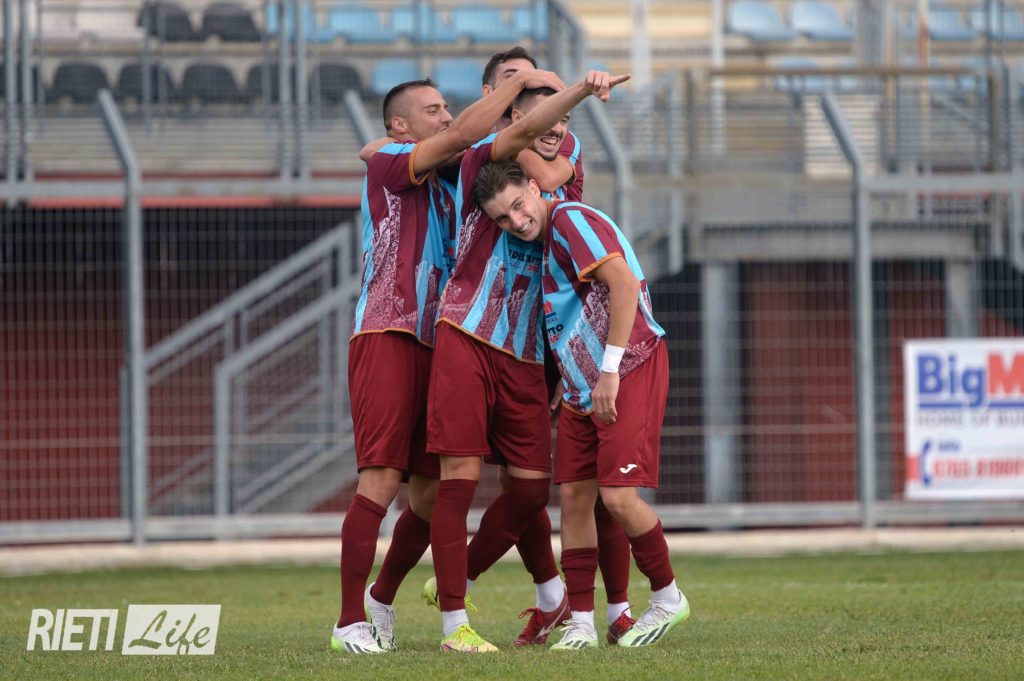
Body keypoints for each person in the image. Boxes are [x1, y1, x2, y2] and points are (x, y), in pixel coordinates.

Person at [331, 67, 564, 655]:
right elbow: (462, 135)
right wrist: (515, 83)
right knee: (381, 479)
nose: (445, 115)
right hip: (388, 331)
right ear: (399, 126)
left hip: (439, 342)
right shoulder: (390, 161)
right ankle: (348, 622)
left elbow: (518, 154)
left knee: (430, 497)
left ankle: (381, 601)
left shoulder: (453, 179)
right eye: (432, 109)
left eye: (445, 107)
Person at [424, 79, 636, 648]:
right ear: (508, 113)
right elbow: (520, 148)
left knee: (537, 491)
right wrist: (576, 89)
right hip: (467, 335)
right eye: (530, 114)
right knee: (457, 480)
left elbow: (552, 168)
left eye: (556, 117)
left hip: (532, 355)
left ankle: (590, 605)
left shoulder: (564, 175)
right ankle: (452, 623)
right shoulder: (484, 162)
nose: (517, 219)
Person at [470, 158, 690, 649]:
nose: (516, 221)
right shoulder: (543, 242)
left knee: (618, 498)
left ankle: (668, 596)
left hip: (627, 368)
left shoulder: (570, 219)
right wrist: (566, 374)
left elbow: (623, 283)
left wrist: (609, 369)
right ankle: (583, 624)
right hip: (579, 387)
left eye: (518, 205)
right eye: (502, 218)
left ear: (534, 187)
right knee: (573, 499)